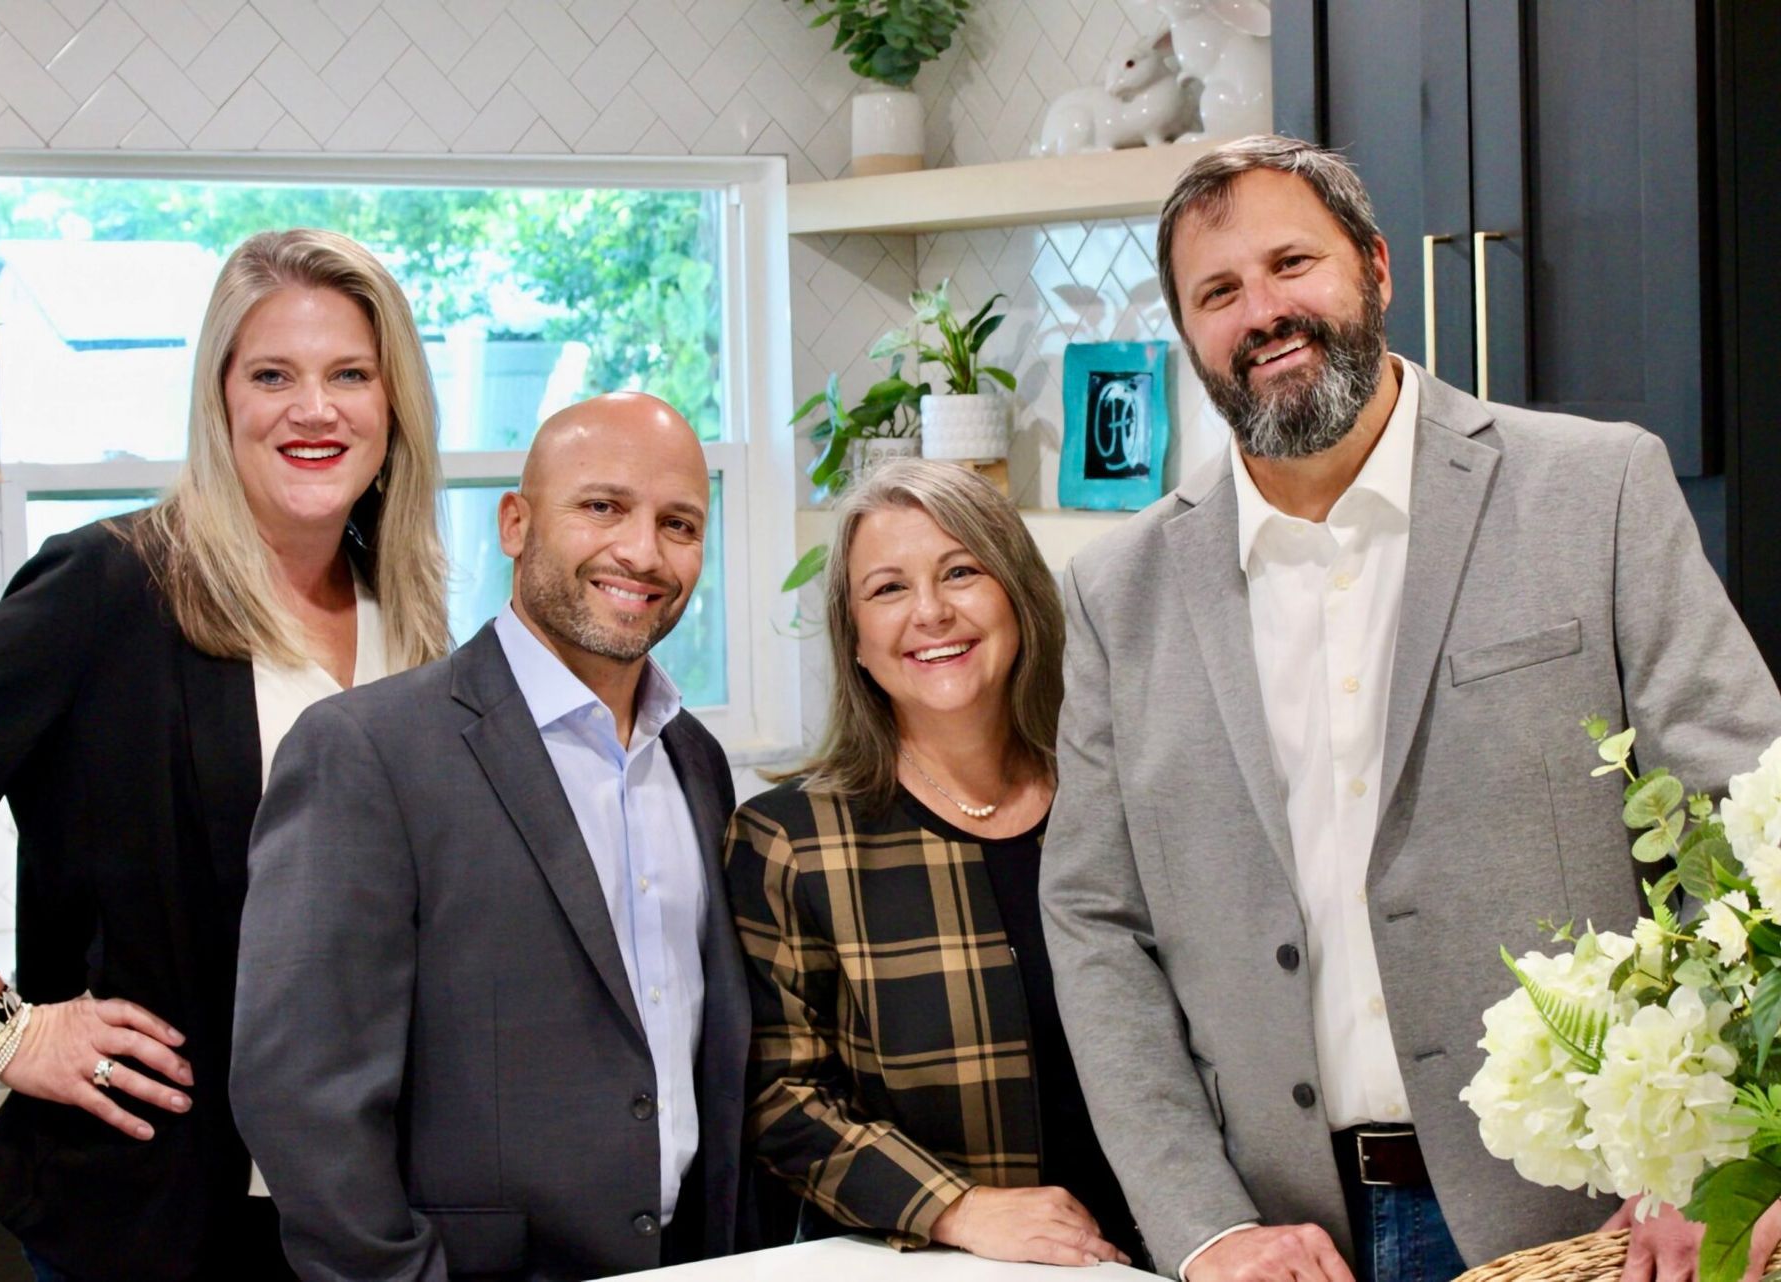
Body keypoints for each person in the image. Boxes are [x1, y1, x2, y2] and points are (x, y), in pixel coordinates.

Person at [1038, 134, 1781, 1282]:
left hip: (1598, 1229)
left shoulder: (1598, 491)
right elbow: (1096, 924)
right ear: (1188, 333)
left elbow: (1745, 838)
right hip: (1279, 1239)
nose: (1264, 311)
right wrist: (1204, 1224)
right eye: (1220, 291)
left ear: (1379, 268)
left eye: (1294, 262)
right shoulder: (1114, 590)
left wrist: (1712, 1168)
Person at [0, 228, 449, 1281]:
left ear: (393, 402)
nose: (314, 409)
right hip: (167, 1212)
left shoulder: (412, 616)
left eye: (349, 374)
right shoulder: (113, 587)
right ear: (221, 402)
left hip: (375, 1204)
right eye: (273, 374)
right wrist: (5, 1031)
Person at [230, 391, 748, 1280]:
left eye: (679, 524)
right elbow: (302, 1101)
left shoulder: (695, 760)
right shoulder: (367, 750)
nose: (642, 551)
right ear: (515, 522)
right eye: (602, 507)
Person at [725, 460, 1141, 1270]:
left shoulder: (1116, 800)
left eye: (961, 572)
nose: (930, 612)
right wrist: (956, 1209)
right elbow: (781, 1100)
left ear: (1019, 594)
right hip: (941, 1261)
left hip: (1163, 1250)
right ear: (854, 638)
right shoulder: (790, 842)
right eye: (887, 589)